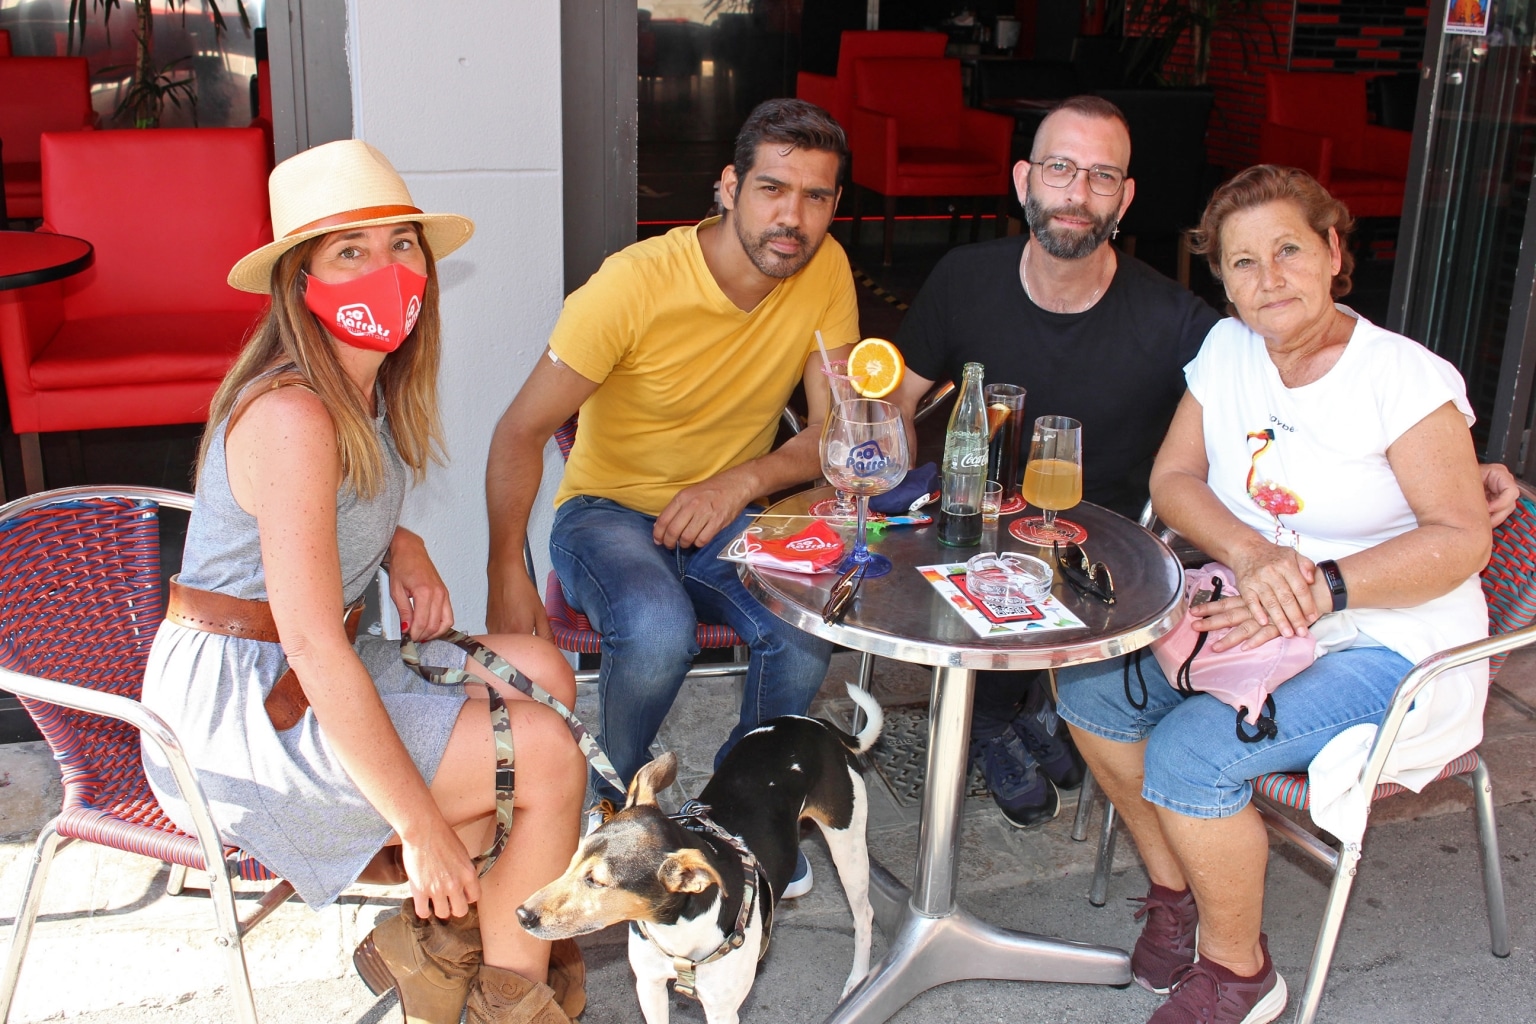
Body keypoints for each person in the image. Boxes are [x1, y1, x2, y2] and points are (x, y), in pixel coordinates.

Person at [889, 95, 1522, 831]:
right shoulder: (972, 278)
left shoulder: (1180, 320)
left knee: (1161, 720)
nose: (1077, 192)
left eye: (1101, 176)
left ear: (1125, 197)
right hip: (999, 530)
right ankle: (1010, 719)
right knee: (1027, 632)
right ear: (1024, 178)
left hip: (1118, 555)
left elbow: (1354, 391)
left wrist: (1462, 464)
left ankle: (1017, 721)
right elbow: (898, 402)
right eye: (1060, 168)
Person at [140, 140, 587, 1024]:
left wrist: (399, 544)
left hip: (297, 665)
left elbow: (312, 524)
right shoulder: (293, 412)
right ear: (300, 280)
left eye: (401, 244)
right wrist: (418, 827)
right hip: (244, 709)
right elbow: (310, 642)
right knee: (543, 753)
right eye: (351, 251)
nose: (386, 271)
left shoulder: (362, 389)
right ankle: (510, 1000)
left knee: (542, 671)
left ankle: (441, 949)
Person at [1054, 164, 1496, 1024]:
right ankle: (1180, 892)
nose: (1270, 279)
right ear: (1224, 281)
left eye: (1288, 250)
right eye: (1243, 262)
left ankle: (1240, 973)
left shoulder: (1402, 379)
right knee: (1091, 685)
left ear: (1333, 251)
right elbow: (1175, 477)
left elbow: (1460, 537)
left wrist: (1318, 590)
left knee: (1192, 751)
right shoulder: (1229, 350)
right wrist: (1255, 556)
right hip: (1251, 605)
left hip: (1389, 639)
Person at [483, 99, 857, 887]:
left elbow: (836, 433)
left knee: (803, 630)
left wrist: (742, 481)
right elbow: (519, 431)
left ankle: (744, 808)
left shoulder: (825, 268)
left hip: (729, 517)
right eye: (772, 188)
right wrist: (505, 571)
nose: (792, 217)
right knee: (658, 629)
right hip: (606, 514)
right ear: (729, 187)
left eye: (815, 196)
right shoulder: (632, 284)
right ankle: (614, 796)